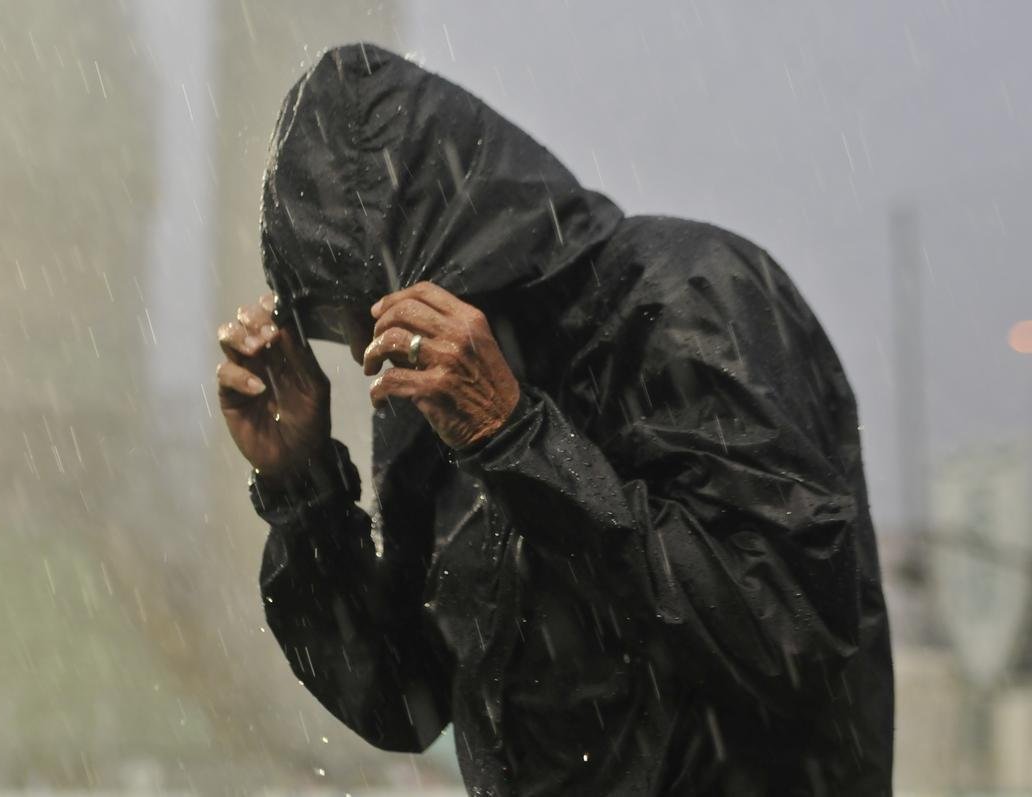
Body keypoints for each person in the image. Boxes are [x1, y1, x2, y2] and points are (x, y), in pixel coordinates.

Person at [216, 43, 894, 796]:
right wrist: (304, 486)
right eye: (336, 322)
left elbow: (791, 635)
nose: (357, 347)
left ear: (427, 249)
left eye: (358, 306)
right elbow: (403, 698)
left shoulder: (687, 302)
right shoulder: (430, 403)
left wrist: (514, 440)